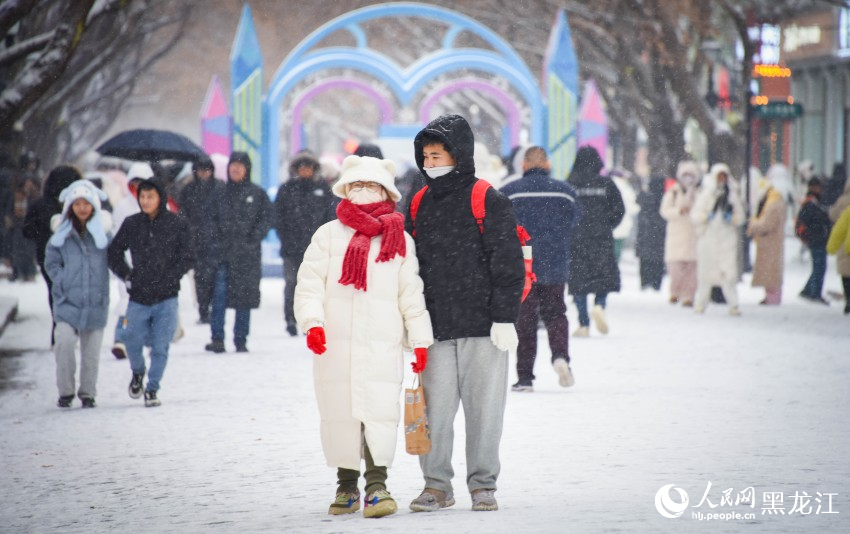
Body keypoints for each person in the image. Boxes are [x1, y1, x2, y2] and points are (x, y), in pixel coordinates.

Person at [295, 155, 433, 518]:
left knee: (378, 412)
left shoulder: (399, 240)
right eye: (355, 185)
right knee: (340, 414)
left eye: (370, 185)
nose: (362, 191)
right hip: (335, 344)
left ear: (385, 191)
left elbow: (411, 294)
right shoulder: (327, 235)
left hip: (381, 343)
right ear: (344, 188)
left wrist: (419, 341)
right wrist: (313, 323)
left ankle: (377, 485)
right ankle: (345, 485)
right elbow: (308, 285)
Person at [405, 114, 525, 513]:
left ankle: (483, 484)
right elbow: (408, 266)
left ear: (457, 155)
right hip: (435, 326)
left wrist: (505, 317)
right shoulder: (418, 201)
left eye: (436, 155)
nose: (429, 163)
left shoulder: (487, 198)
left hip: (483, 326)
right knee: (434, 414)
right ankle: (436, 485)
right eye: (425, 156)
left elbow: (508, 263)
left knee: (484, 412)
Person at [500, 146, 580, 392]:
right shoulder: (566, 192)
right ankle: (560, 357)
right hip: (555, 262)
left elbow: (499, 227)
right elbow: (576, 222)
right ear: (548, 165)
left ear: (523, 166)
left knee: (525, 320)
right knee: (556, 313)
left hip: (522, 263)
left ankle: (525, 378)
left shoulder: (509, 193)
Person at [108, 178, 193, 407]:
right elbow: (114, 251)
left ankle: (152, 388)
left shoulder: (176, 224)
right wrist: (126, 275)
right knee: (131, 339)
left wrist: (173, 275)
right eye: (142, 197)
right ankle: (138, 372)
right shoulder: (132, 223)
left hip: (167, 295)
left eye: (150, 197)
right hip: (139, 295)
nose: (145, 201)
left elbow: (188, 254)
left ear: (160, 198)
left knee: (160, 345)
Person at [45, 180, 112, 408]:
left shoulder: (103, 235)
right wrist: (62, 279)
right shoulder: (61, 236)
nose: (82, 208)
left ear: (94, 205)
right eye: (77, 203)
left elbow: (116, 260)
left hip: (96, 300)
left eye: (86, 203)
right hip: (67, 302)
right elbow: (51, 262)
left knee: (91, 352)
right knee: (63, 343)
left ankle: (88, 393)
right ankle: (65, 391)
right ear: (70, 206)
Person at [205, 152, 272, 353]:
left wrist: (253, 239)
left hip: (247, 257)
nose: (236, 169)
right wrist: (216, 242)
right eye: (233, 165)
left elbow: (267, 218)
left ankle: (241, 339)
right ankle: (217, 339)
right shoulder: (219, 194)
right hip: (222, 256)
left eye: (240, 166)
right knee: (219, 297)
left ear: (247, 169)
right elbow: (209, 220)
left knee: (244, 299)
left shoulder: (257, 194)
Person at [567, 146, 625, 337]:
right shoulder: (607, 183)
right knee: (603, 275)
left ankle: (583, 324)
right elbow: (619, 209)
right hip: (601, 237)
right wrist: (608, 224)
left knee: (579, 280)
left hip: (577, 238)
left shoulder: (570, 184)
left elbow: (564, 210)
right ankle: (599, 305)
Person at [273, 151, 333, 336]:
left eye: (309, 167)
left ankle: (314, 320)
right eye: (302, 167)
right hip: (291, 248)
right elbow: (278, 217)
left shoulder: (323, 189)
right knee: (292, 284)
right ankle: (290, 319)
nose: (305, 170)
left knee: (317, 286)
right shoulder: (287, 189)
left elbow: (330, 217)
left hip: (317, 248)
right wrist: (286, 238)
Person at [22, 165, 81, 342]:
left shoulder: (38, 205)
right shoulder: (77, 205)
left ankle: (59, 328)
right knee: (71, 292)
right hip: (72, 256)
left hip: (46, 256)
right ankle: (68, 327)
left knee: (55, 292)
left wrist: (43, 235)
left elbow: (27, 231)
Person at [109, 162, 155, 359]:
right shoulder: (123, 207)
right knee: (127, 301)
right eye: (134, 184)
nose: (137, 189)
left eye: (142, 184)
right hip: (129, 263)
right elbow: (117, 238)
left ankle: (153, 340)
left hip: (154, 264)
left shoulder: (160, 206)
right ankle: (121, 339)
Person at [691, 164, 745, 315]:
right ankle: (701, 303)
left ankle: (734, 305)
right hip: (708, 239)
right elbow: (695, 215)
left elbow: (740, 217)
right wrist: (705, 217)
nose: (721, 180)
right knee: (705, 275)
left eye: (724, 176)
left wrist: (732, 218)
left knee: (728, 274)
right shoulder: (706, 195)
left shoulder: (732, 196)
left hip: (727, 239)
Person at [179, 156, 222, 324]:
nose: (204, 173)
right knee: (200, 277)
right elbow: (183, 214)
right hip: (195, 241)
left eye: (207, 170)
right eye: (201, 170)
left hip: (215, 241)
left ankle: (212, 307)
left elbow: (224, 215)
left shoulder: (219, 189)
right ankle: (203, 308)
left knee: (214, 276)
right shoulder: (188, 190)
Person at [660, 160, 700, 306]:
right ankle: (674, 292)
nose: (688, 178)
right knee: (675, 268)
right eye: (685, 174)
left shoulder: (699, 193)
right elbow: (664, 211)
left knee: (691, 269)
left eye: (691, 175)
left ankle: (688, 295)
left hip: (693, 234)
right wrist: (678, 211)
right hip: (676, 234)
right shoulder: (673, 192)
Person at [748, 164, 789, 305]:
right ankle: (771, 297)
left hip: (770, 242)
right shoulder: (777, 201)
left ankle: (772, 298)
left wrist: (753, 223)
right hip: (770, 242)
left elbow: (767, 223)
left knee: (771, 272)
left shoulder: (774, 203)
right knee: (770, 271)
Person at [796, 177, 832, 304]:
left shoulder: (815, 202)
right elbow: (805, 222)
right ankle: (814, 293)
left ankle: (809, 291)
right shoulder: (811, 203)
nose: (820, 189)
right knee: (819, 267)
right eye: (818, 187)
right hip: (817, 239)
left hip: (818, 239)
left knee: (818, 267)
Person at [636, 175, 667, 290]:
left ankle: (645, 282)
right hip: (659, 237)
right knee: (658, 262)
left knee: (645, 261)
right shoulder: (664, 199)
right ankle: (656, 283)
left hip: (645, 236)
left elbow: (638, 200)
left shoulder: (645, 198)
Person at [828, 177, 850, 313]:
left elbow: (832, 215)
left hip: (844, 244)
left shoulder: (843, 201)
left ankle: (848, 300)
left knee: (846, 274)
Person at [609, 168, 640, 262]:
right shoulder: (625, 188)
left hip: (609, 226)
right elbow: (632, 207)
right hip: (622, 225)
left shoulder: (608, 185)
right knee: (616, 253)